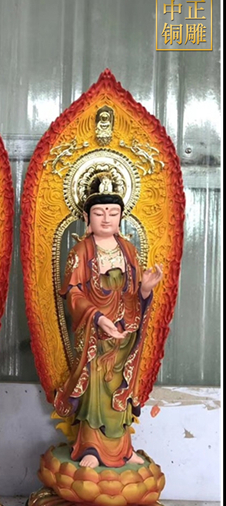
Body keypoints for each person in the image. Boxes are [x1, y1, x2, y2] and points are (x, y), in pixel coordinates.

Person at [53, 176, 163, 468]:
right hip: (95, 334)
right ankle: (90, 447)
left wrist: (145, 290)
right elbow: (73, 294)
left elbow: (133, 292)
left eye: (113, 213)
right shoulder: (81, 251)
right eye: (99, 213)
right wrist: (98, 317)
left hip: (124, 331)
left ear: (121, 218)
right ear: (87, 218)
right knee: (96, 391)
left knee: (120, 389)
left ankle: (123, 449)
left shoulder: (128, 251)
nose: (106, 218)